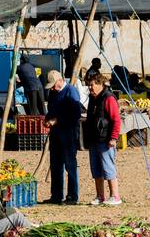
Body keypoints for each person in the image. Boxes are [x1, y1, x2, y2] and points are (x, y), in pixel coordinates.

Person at [83, 73, 121, 207]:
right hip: (94, 139)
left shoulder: (109, 98)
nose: (90, 88)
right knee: (96, 169)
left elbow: (116, 119)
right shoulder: (93, 98)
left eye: (92, 85)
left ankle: (115, 196)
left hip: (106, 140)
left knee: (108, 167)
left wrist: (113, 138)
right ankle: (100, 196)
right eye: (88, 85)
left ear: (100, 84)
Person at [44, 70, 82, 204]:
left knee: (70, 165)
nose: (53, 88)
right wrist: (48, 119)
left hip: (68, 133)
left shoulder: (71, 92)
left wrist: (57, 120)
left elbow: (76, 114)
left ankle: (72, 196)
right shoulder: (53, 93)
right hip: (55, 134)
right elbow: (50, 110)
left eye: (54, 85)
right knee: (55, 165)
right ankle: (56, 195)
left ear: (60, 81)